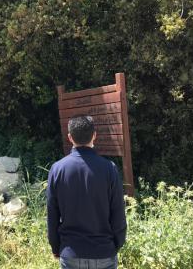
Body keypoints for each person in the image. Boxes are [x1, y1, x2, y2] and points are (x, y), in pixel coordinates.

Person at [47, 115, 127, 269]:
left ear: (70, 137)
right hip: (104, 251)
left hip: (70, 252)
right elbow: (118, 214)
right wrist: (115, 245)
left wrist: (56, 247)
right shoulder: (109, 169)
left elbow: (52, 216)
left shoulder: (57, 169)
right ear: (94, 135)